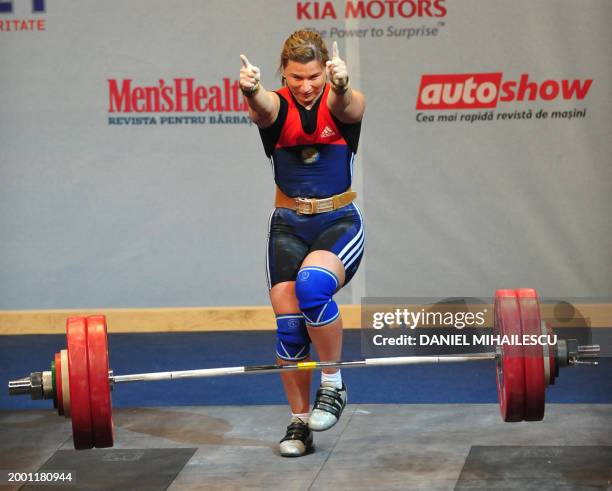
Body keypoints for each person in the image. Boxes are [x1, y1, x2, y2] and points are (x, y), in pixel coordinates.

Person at [239, 29, 366, 457]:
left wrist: (343, 86)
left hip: (339, 223)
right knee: (290, 328)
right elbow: (263, 109)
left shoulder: (341, 100)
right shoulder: (275, 105)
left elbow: (346, 104)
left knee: (313, 286)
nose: (306, 86)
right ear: (284, 75)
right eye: (296, 77)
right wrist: (252, 91)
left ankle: (333, 384)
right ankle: (299, 423)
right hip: (288, 227)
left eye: (313, 76)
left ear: (325, 71)